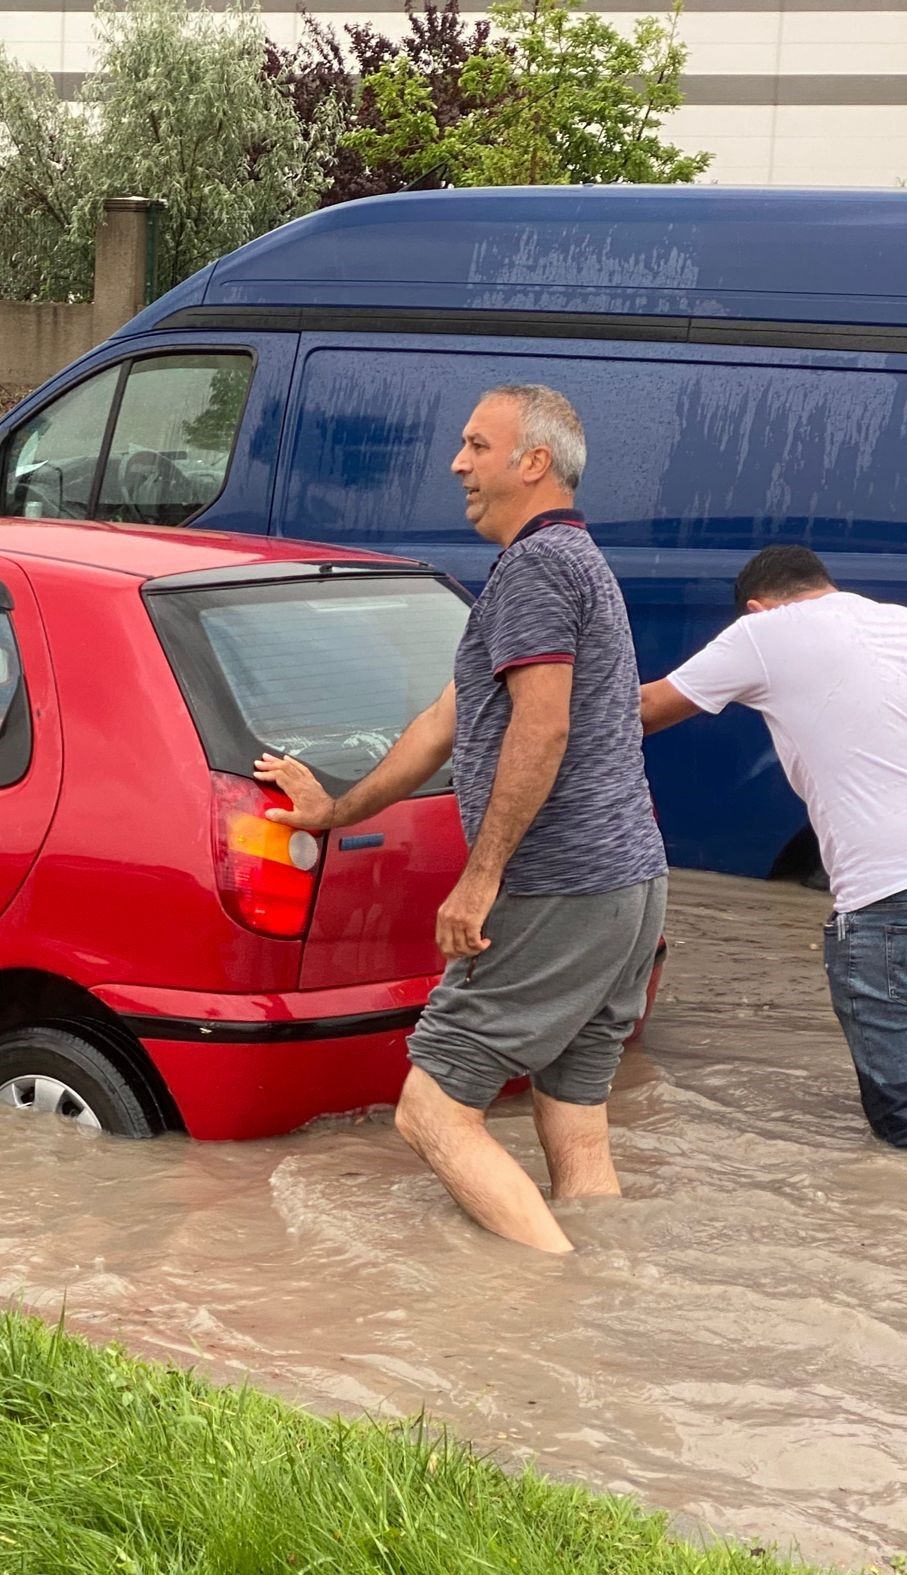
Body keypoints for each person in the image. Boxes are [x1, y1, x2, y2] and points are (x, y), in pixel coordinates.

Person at [259, 385, 668, 1253]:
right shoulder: (567, 564)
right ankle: (607, 1301)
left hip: (557, 887)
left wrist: (479, 879)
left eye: (478, 446)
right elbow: (441, 725)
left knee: (431, 1112)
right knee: (575, 1114)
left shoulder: (537, 568)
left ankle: (543, 1298)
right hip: (628, 888)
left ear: (534, 464)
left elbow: (544, 721)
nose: (457, 464)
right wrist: (334, 810)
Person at [640, 545, 907, 1150]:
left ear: (757, 609)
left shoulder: (765, 633)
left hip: (897, 910)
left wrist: (523, 713)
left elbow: (646, 710)